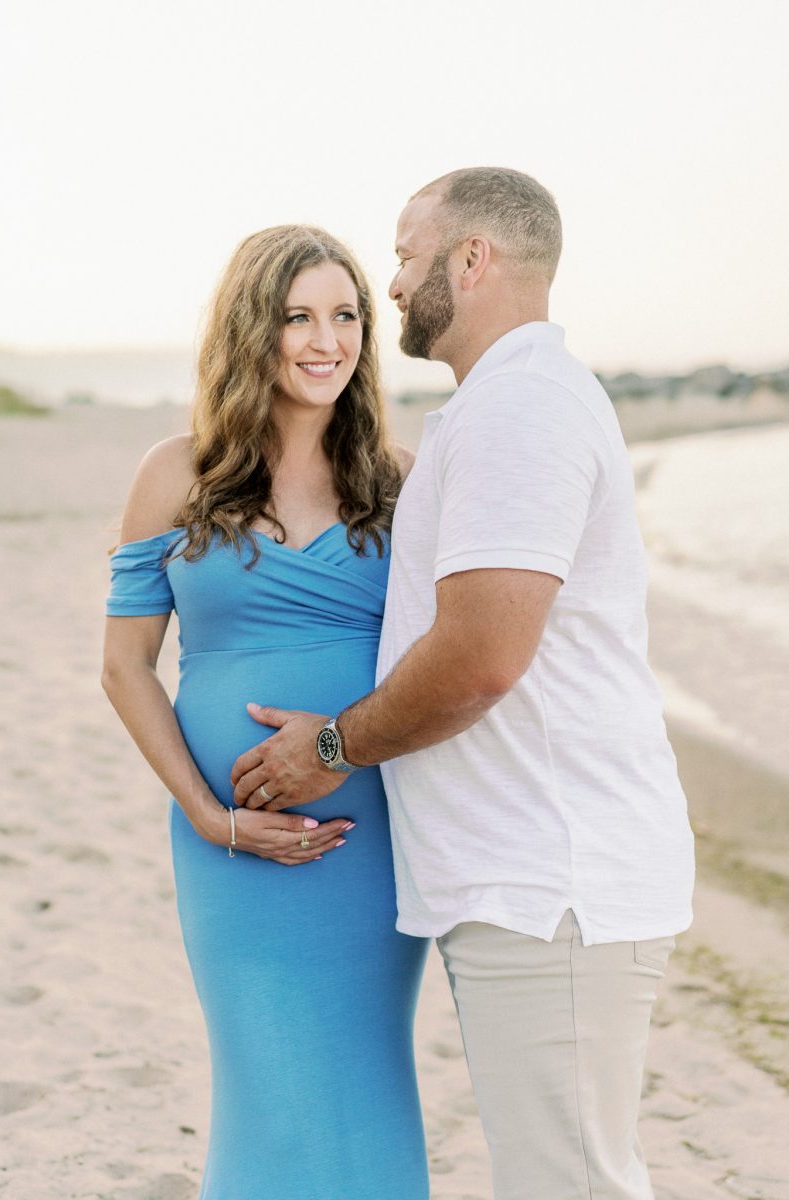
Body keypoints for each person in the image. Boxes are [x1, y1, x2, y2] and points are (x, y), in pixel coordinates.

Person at [230, 169, 696, 1200]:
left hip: (553, 882)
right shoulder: (505, 401)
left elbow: (482, 652)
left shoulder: (518, 408)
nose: (390, 284)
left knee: (567, 1183)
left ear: (471, 260)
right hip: (528, 878)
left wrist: (329, 747)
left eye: (404, 254)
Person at [101, 225, 430, 1200]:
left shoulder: (400, 480)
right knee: (266, 1086)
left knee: (366, 1081)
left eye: (345, 316)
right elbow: (125, 669)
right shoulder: (178, 472)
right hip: (227, 846)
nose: (325, 340)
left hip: (369, 833)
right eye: (297, 316)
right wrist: (210, 816)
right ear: (254, 327)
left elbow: (449, 657)